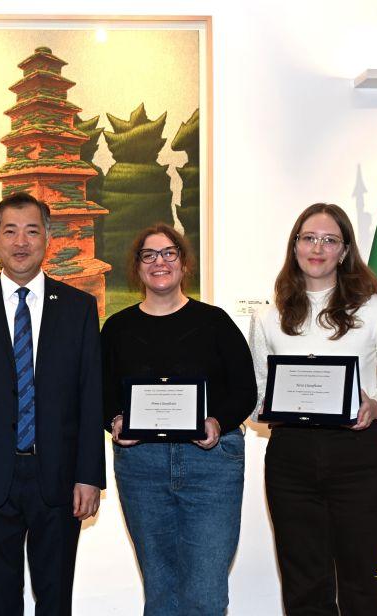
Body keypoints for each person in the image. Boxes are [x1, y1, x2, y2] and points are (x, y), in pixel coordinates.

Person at [249, 203, 377, 616]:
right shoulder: (267, 317)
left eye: (330, 240)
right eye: (309, 238)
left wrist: (376, 403)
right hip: (290, 460)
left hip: (359, 458)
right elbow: (257, 395)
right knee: (303, 589)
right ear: (294, 246)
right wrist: (269, 404)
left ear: (345, 251)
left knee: (363, 589)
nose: (318, 248)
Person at [0, 192, 104, 615]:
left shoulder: (79, 308)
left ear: (47, 239)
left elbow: (91, 397)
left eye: (31, 231)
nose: (21, 241)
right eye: (9, 231)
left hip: (59, 477)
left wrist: (90, 475)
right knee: (1, 600)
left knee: (55, 600)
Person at [101, 223, 256, 615]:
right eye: (149, 255)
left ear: (184, 263)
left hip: (211, 463)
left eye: (169, 253)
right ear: (137, 267)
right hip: (142, 467)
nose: (160, 262)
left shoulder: (216, 322)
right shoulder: (117, 328)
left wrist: (218, 422)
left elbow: (244, 390)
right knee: (160, 588)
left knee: (204, 589)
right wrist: (115, 420)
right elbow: (99, 391)